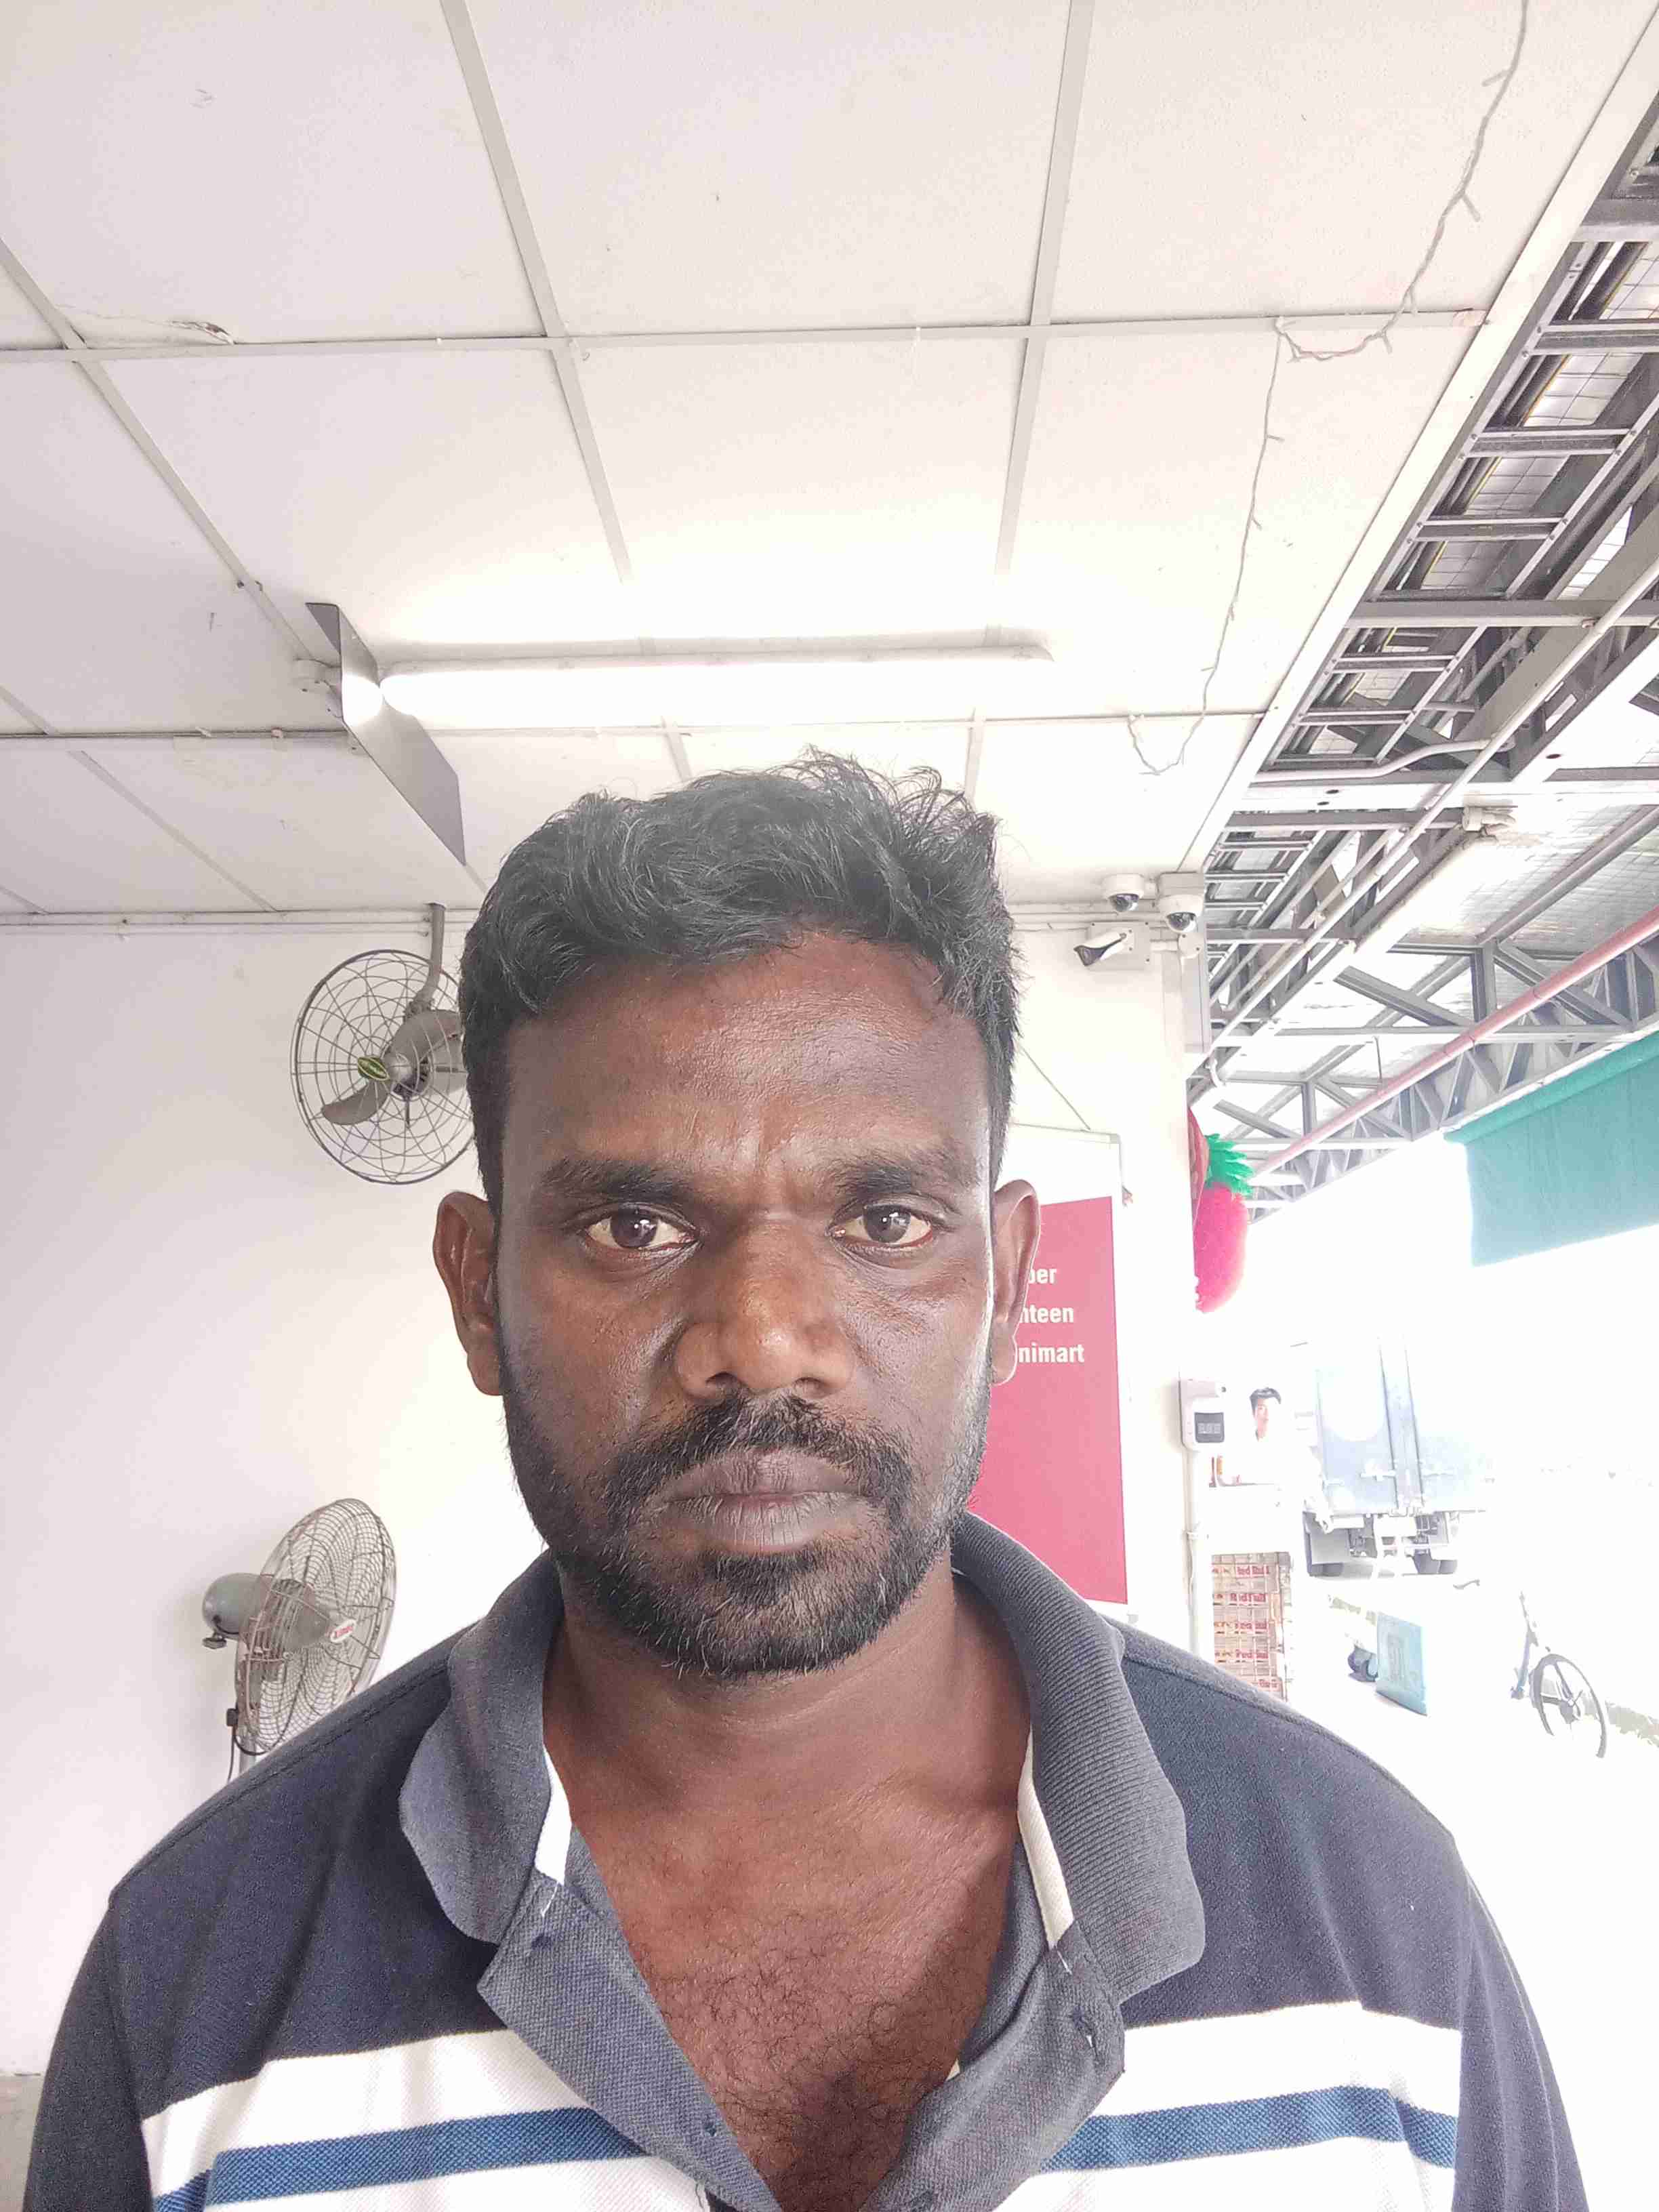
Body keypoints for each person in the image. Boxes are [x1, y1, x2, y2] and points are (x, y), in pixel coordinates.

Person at [27, 756, 1582, 2211]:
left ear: (1009, 1279)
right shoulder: (196, 1978)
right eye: (635, 1226)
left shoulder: (1375, 1920)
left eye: (886, 1222)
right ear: (476, 1292)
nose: (764, 1340)